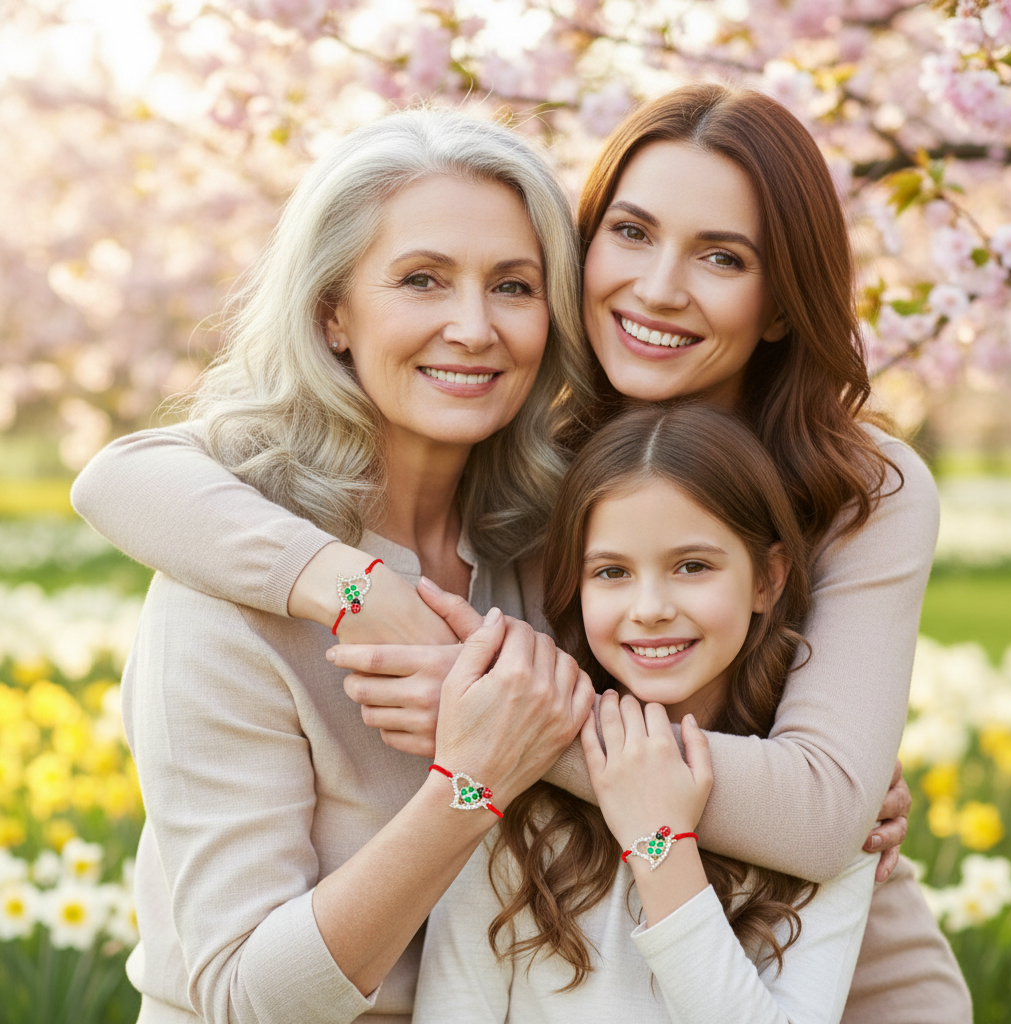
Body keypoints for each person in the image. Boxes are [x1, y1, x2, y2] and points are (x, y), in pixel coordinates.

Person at [72, 85, 971, 1022]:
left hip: (822, 973)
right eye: (630, 233)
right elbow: (119, 476)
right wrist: (351, 589)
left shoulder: (802, 493)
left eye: (722, 256)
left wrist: (536, 730)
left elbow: (819, 812)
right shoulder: (543, 499)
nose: (660, 285)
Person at [103, 108, 596, 1023]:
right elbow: (243, 997)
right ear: (333, 313)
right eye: (422, 280)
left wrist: (789, 778)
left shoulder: (550, 547)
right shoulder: (231, 585)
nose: (474, 327)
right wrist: (472, 784)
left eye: (515, 286)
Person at [413, 402, 878, 1023]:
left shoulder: (823, 829)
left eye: (692, 566)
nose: (651, 607)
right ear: (575, 589)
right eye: (612, 572)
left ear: (768, 578)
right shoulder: (517, 795)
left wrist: (660, 843)